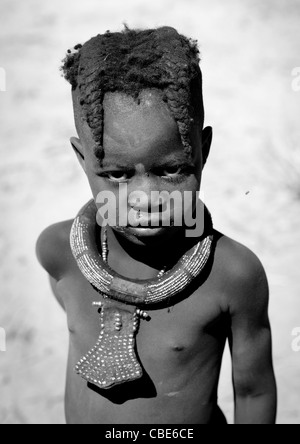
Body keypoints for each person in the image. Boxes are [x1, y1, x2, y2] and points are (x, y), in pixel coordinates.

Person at [36, 26, 277, 424]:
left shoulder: (234, 275)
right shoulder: (58, 251)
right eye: (115, 174)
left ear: (204, 151)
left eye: (171, 170)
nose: (145, 198)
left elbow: (254, 392)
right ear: (82, 159)